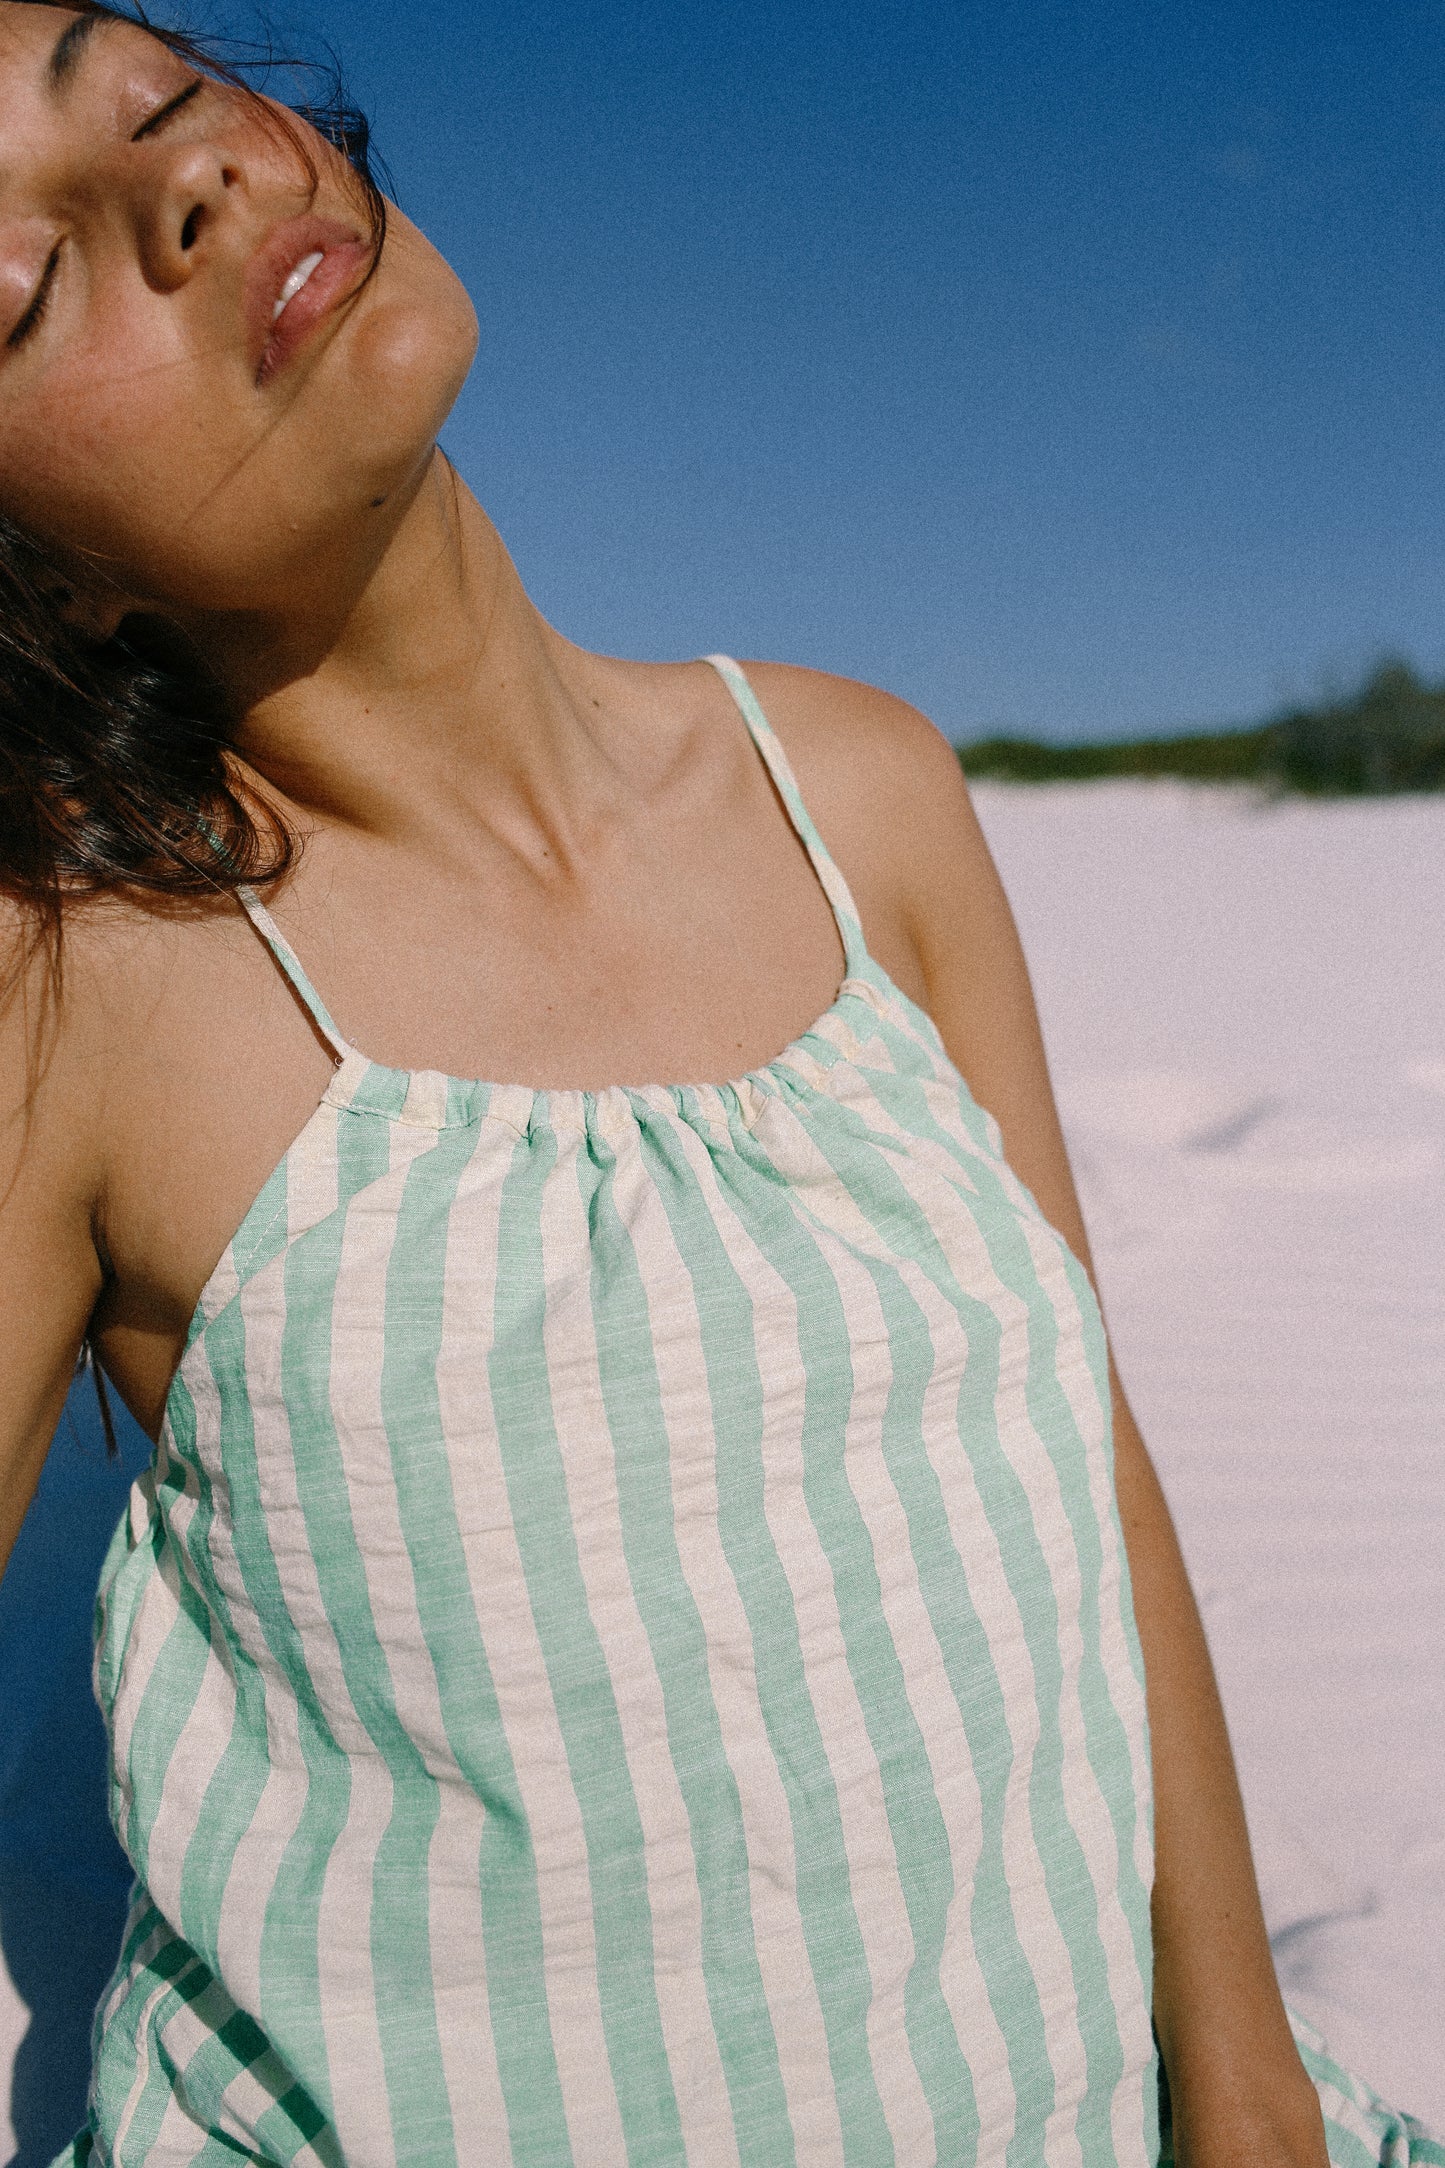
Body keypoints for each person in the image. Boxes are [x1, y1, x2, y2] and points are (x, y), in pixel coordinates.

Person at [0, 5, 1436, 2162]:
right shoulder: (82, 985)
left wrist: (1241, 2091)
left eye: (156, 89)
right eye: (17, 289)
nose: (174, 185)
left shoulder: (860, 788)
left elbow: (1084, 1465)